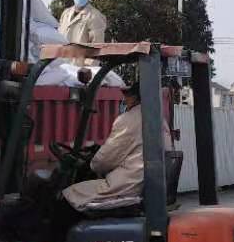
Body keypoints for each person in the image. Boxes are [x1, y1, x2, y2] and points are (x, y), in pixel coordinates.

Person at [61, 84, 168, 217]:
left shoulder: (129, 119)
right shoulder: (157, 118)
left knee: (69, 195)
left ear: (135, 97)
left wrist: (91, 164)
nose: (125, 100)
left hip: (127, 185)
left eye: (127, 95)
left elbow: (105, 159)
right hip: (144, 181)